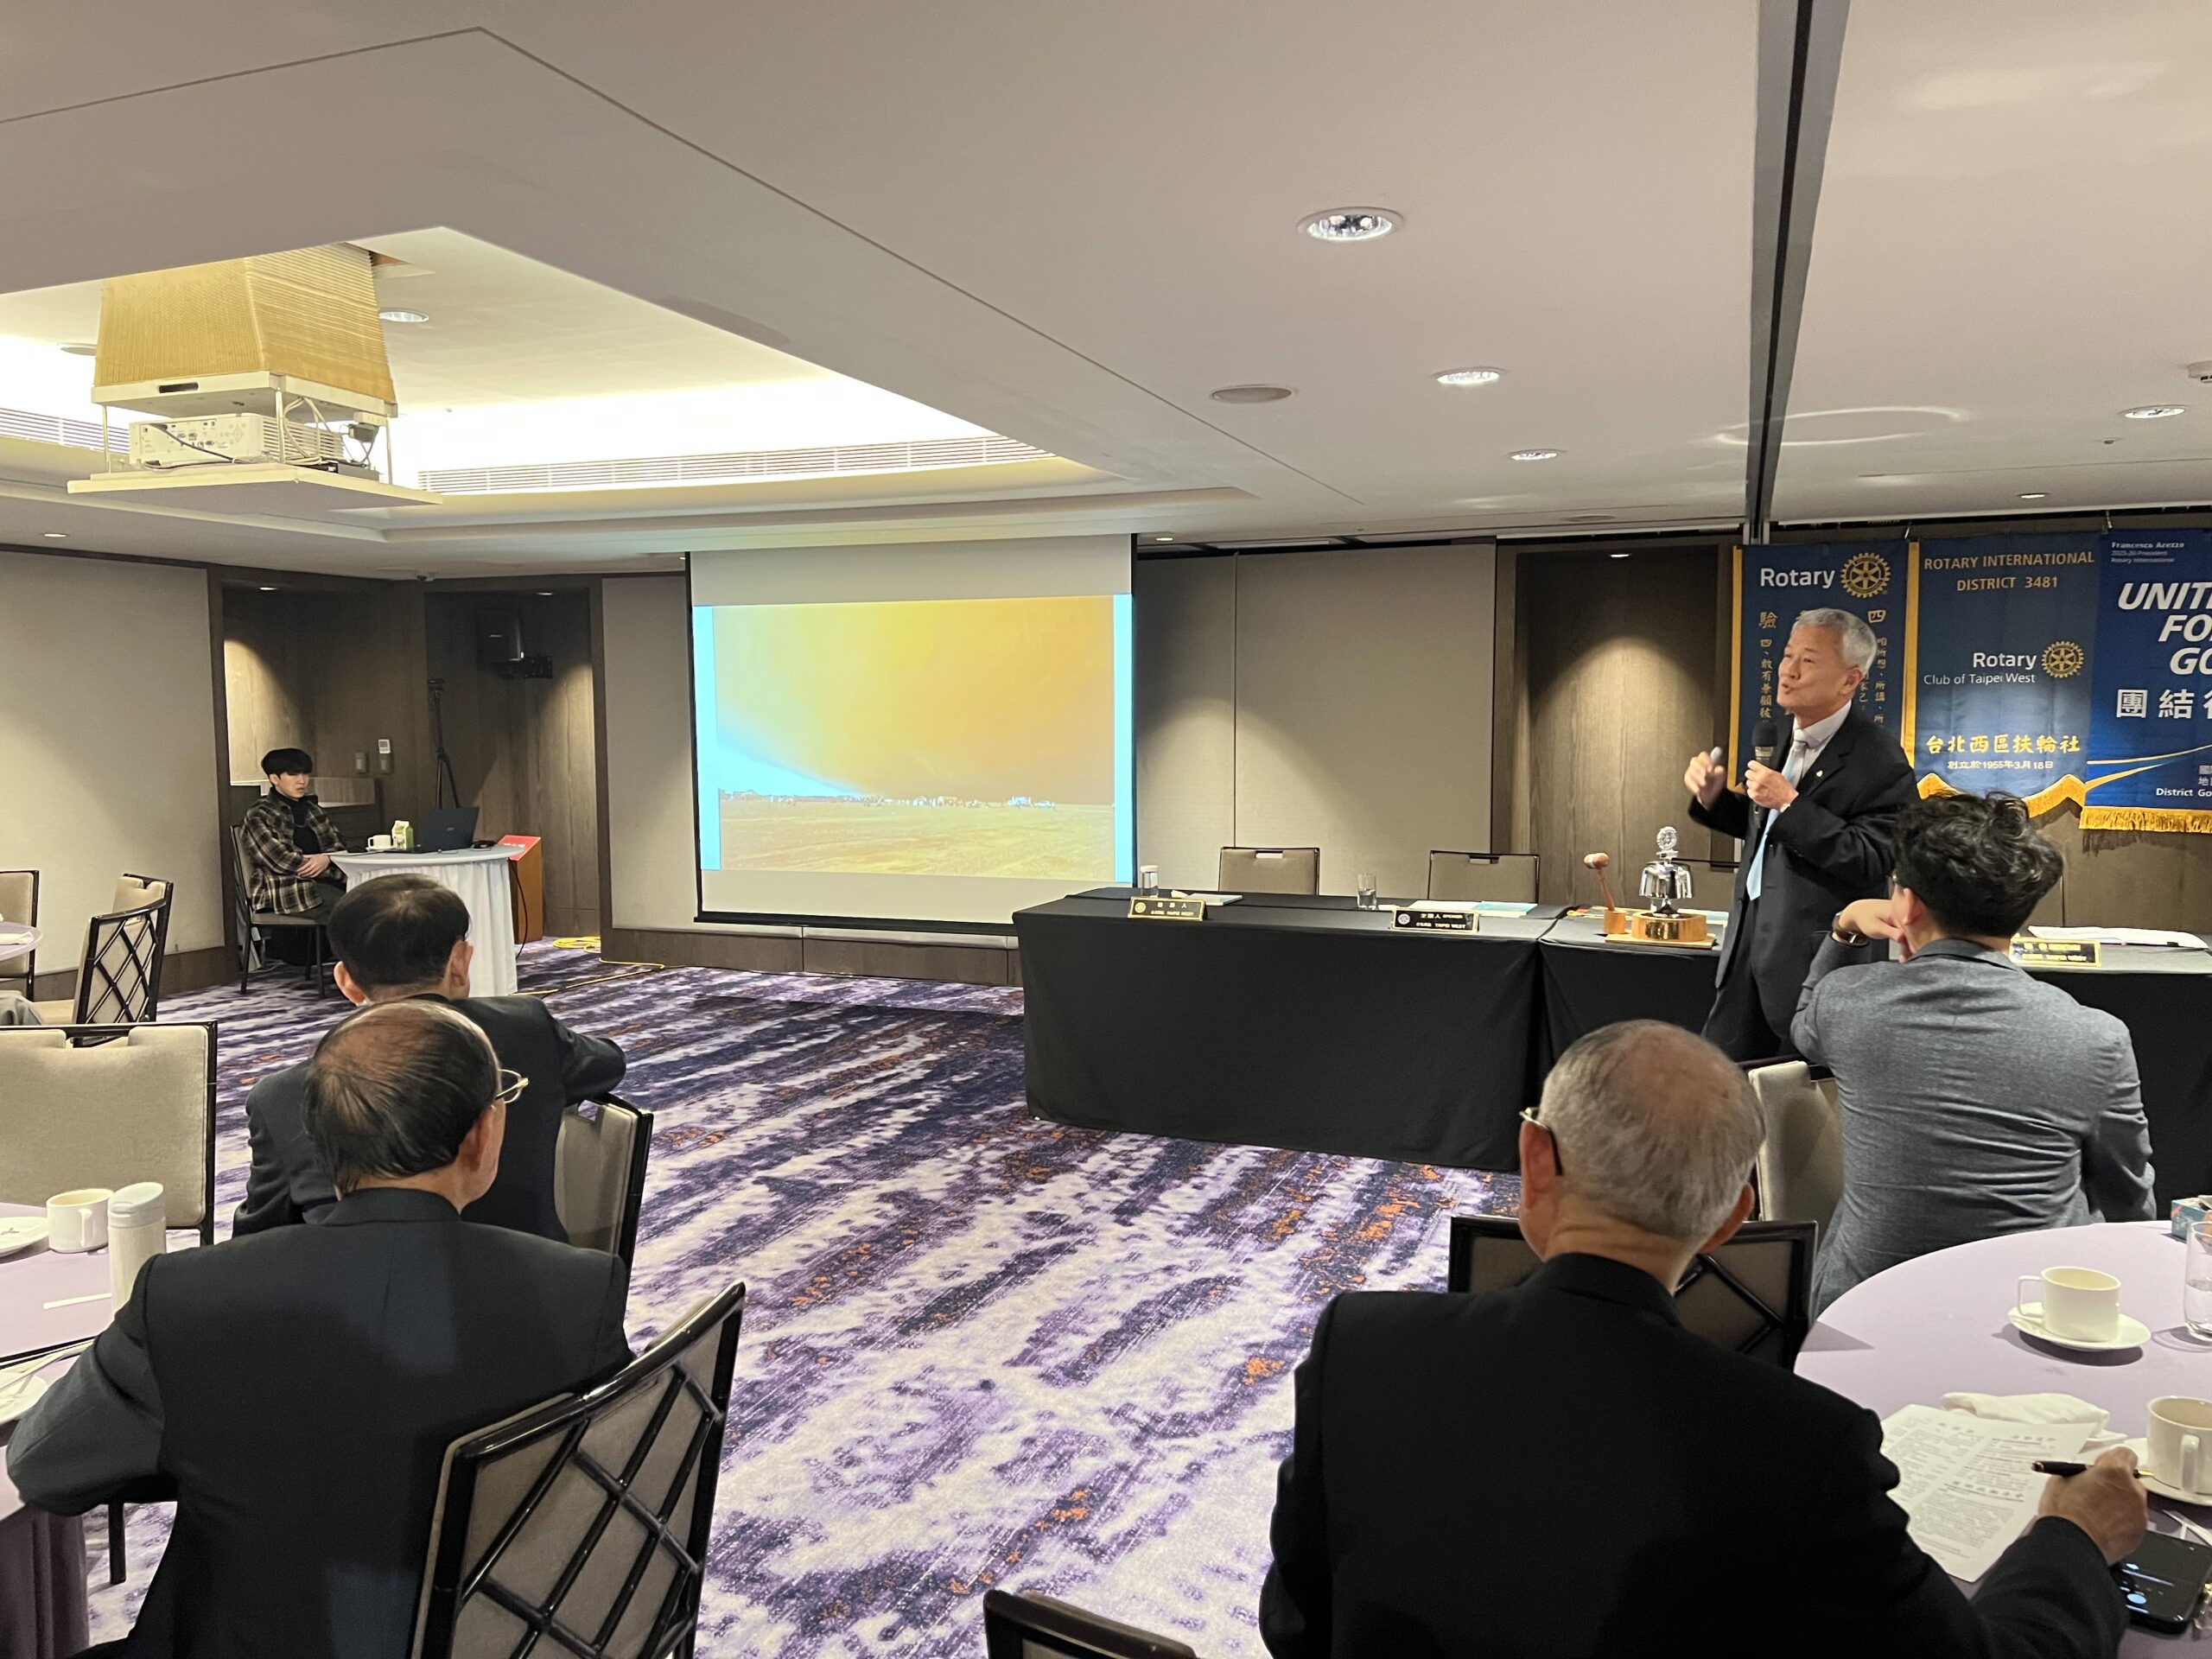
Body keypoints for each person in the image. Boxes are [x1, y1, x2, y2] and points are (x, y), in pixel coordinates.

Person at [1259, 1020, 2140, 1659]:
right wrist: (2070, 1538)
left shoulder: (1361, 1351)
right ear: (1732, 1219)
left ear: (1533, 1158)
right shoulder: (1802, 1444)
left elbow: (1298, 1622)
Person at [6, 1000, 632, 1657]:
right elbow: (616, 1502)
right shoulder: (579, 1292)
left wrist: (214, 1448)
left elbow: (46, 1468)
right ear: (483, 1135)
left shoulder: (187, 1295)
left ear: (317, 1139)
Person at [1796, 792, 2156, 1312]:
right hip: (2034, 1314)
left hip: (1861, 1306)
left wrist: (1846, 925)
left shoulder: (1847, 1002)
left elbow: (1804, 1025)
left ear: (1907, 905)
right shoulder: (2097, 1037)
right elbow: (2128, 1199)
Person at [235, 872, 626, 1241]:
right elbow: (607, 1064)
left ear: (346, 982)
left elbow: (261, 1239)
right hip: (534, 1277)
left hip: (351, 1289)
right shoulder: (526, 1029)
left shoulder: (281, 1097)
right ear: (460, 963)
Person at [1686, 608, 1916, 1059]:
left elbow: (1873, 858)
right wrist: (1716, 799)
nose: (1787, 671)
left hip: (1817, 967)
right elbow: (1770, 833)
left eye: (1807, 661)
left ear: (1850, 680)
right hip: (1747, 951)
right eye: (1787, 656)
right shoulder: (1780, 737)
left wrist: (1791, 804)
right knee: (1726, 1085)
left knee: (1801, 1097)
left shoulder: (1880, 758)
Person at [238, 746, 347, 925]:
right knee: (352, 910)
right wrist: (324, 864)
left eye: (305, 774)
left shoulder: (313, 810)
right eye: (293, 775)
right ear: (274, 778)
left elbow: (338, 845)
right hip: (287, 888)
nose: (302, 781)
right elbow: (280, 859)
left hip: (328, 882)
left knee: (377, 900)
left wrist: (326, 858)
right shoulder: (260, 813)